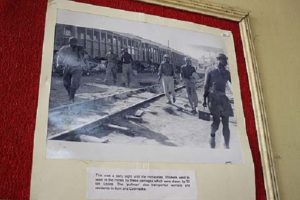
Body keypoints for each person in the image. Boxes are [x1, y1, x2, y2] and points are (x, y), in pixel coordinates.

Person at [203, 53, 233, 149]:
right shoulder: (211, 70)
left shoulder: (227, 73)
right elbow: (206, 85)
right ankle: (212, 136)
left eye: (226, 60)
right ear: (218, 60)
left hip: (223, 99)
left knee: (226, 123)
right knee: (216, 122)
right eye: (223, 60)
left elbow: (235, 84)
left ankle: (226, 146)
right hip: (213, 98)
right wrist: (204, 99)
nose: (225, 62)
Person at [56, 37, 84, 102]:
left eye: (75, 43)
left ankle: (71, 98)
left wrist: (81, 51)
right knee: (66, 83)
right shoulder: (64, 49)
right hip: (67, 67)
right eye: (72, 43)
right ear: (69, 42)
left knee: (75, 83)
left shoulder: (79, 49)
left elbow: (83, 57)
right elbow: (59, 56)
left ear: (77, 43)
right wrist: (58, 64)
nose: (73, 45)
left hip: (77, 68)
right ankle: (70, 94)